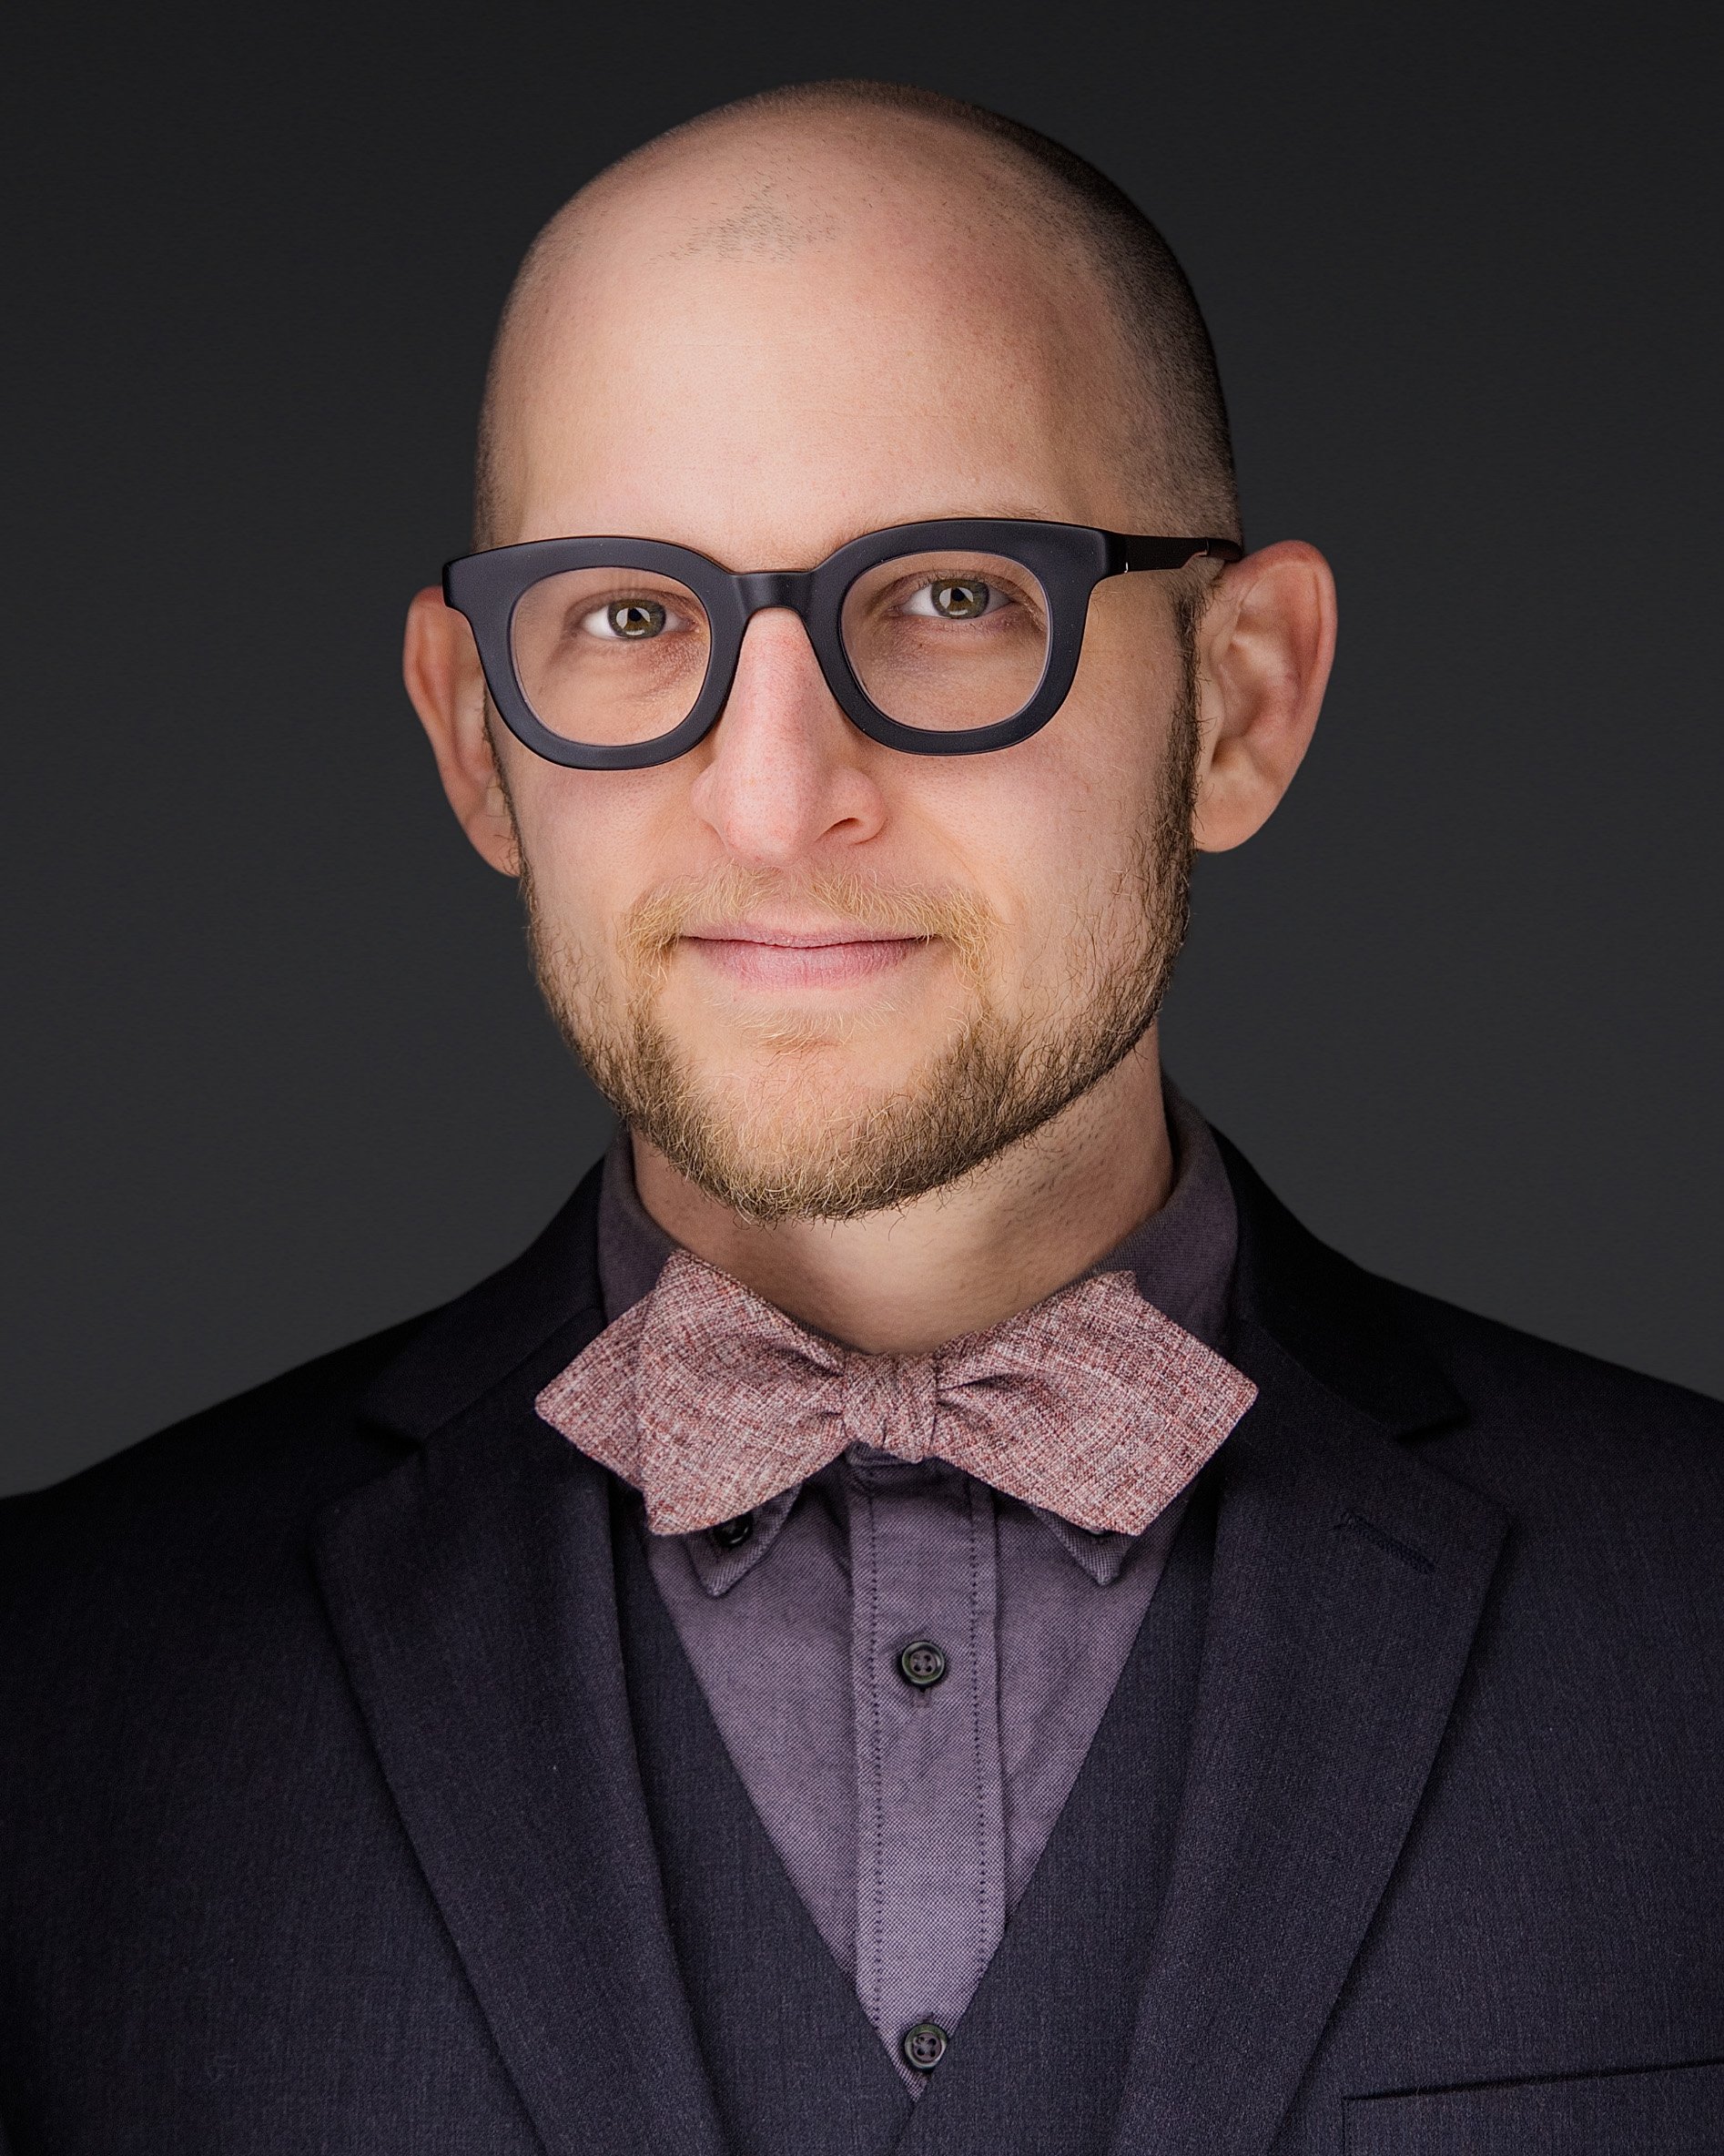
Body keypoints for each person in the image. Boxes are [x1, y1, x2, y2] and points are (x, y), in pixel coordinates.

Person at [3, 77, 1720, 2156]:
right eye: (633, 621)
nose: (772, 791)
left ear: (1242, 699)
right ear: (477, 740)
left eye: (949, 594)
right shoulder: (52, 1678)